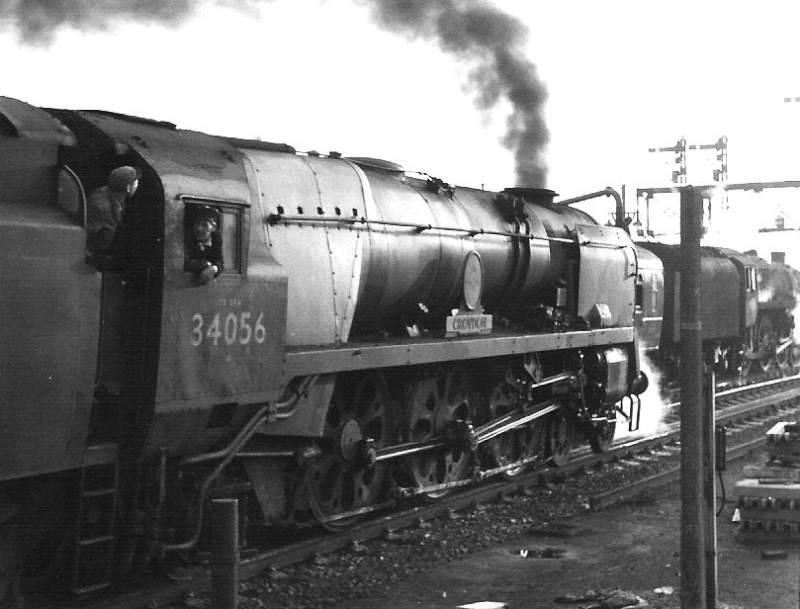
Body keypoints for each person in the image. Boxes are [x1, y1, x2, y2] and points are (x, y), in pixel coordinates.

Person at [86, 165, 141, 265]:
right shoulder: (101, 206)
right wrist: (93, 259)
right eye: (135, 182)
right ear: (128, 188)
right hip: (97, 256)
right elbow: (84, 233)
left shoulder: (112, 193)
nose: (137, 184)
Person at [186, 206, 224, 284]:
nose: (199, 228)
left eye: (204, 225)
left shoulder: (216, 238)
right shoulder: (187, 237)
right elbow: (182, 263)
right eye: (197, 223)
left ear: (213, 228)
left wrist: (215, 268)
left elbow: (220, 261)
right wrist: (205, 264)